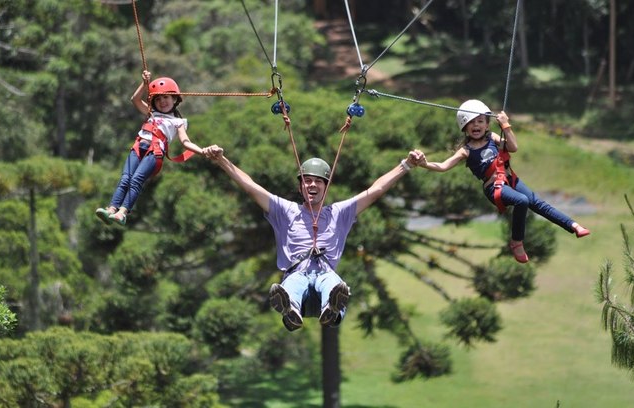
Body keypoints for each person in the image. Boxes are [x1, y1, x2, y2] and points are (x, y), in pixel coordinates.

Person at [204, 145, 425, 331]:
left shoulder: (339, 213)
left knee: (334, 284)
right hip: (296, 273)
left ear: (326, 188)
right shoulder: (285, 210)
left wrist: (405, 165)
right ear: (300, 186)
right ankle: (290, 309)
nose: (312, 185)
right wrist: (222, 161)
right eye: (307, 180)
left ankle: (332, 308)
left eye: (318, 181)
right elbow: (251, 187)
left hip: (325, 275)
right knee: (292, 285)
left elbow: (375, 190)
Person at [418, 99, 590, 264]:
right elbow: (443, 166)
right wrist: (424, 163)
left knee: (537, 203)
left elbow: (513, 147)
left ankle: (573, 225)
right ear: (464, 126)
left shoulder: (492, 137)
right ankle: (516, 242)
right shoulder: (466, 151)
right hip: (494, 188)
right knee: (522, 201)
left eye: (480, 121)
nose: (476, 125)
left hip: (510, 179)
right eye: (471, 122)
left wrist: (505, 126)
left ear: (487, 124)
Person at [95, 70, 207, 226]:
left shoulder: (178, 122)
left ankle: (122, 212)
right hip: (138, 147)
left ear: (175, 98)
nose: (162, 101)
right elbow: (135, 99)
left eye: (166, 97)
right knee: (125, 179)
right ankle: (111, 209)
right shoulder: (151, 112)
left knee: (135, 180)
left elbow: (186, 142)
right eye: (158, 98)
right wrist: (144, 83)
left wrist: (201, 151)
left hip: (154, 152)